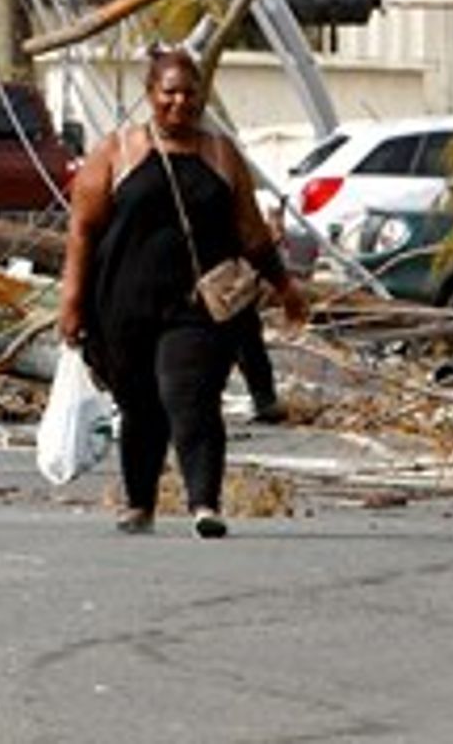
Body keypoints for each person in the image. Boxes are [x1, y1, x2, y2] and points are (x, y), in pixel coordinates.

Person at [59, 48, 308, 539]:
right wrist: (72, 301)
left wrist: (285, 287)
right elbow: (82, 231)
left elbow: (253, 233)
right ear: (150, 96)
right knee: (139, 404)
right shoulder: (117, 152)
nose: (180, 102)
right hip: (123, 305)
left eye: (190, 92)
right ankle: (139, 503)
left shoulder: (221, 155)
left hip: (198, 306)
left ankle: (203, 502)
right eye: (169, 91)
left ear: (203, 96)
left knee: (189, 394)